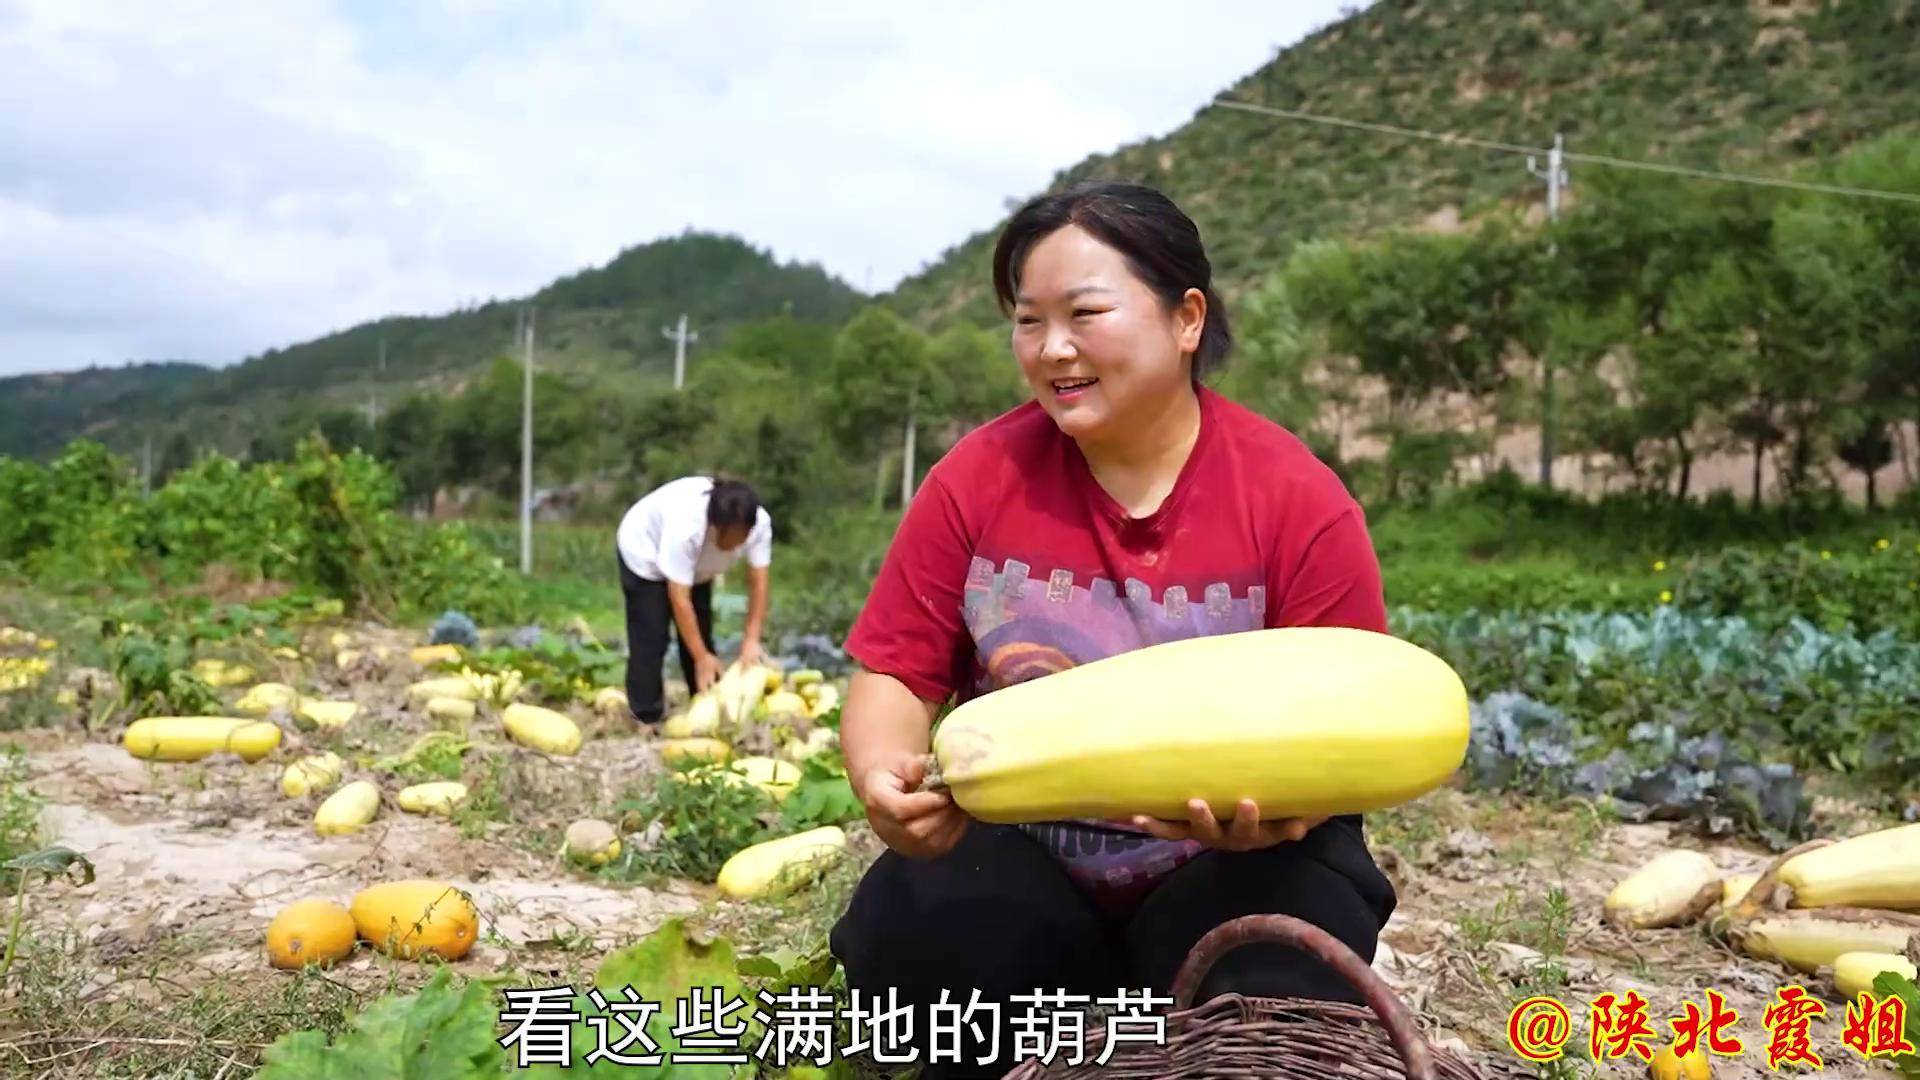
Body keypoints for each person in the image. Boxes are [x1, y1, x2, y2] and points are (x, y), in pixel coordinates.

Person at [827, 181, 1399, 1078]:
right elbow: (896, 672)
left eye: (1085, 313)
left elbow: (1360, 713)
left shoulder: (1295, 497)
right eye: (1027, 321)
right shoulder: (977, 479)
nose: (1054, 349)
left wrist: (1291, 814)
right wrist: (880, 777)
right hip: (1029, 864)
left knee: (1285, 965)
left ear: (1187, 320)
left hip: (1231, 872)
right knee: (917, 929)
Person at [614, 475, 772, 724]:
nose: (737, 542)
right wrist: (700, 657)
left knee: (702, 631)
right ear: (715, 526)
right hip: (646, 553)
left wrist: (751, 639)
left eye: (743, 535)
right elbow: (679, 599)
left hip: (698, 568)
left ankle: (704, 701)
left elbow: (758, 582)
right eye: (732, 536)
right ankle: (646, 715)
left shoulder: (759, 524)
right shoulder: (686, 527)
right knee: (651, 636)